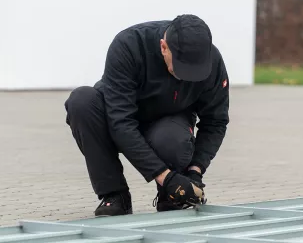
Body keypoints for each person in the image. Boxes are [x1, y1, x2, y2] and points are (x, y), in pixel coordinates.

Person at [65, 14, 229, 217]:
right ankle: (115, 195)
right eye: (181, 69)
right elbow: (121, 122)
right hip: (121, 116)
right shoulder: (128, 45)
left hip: (167, 124)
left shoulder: (213, 61)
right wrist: (165, 177)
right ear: (163, 47)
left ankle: (170, 197)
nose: (188, 77)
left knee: (172, 139)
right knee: (81, 102)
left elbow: (215, 121)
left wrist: (195, 172)